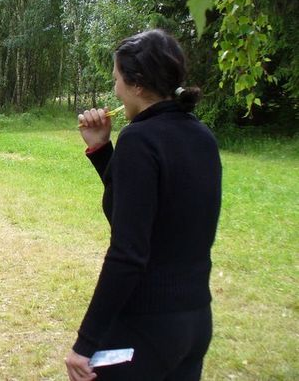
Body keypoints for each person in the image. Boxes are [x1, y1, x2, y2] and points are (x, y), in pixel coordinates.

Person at [66, 29, 222, 381]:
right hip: (195, 322)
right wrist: (101, 150)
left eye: (117, 80)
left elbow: (128, 253)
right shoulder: (202, 136)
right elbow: (152, 210)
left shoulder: (139, 139)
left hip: (146, 328)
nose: (115, 90)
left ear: (137, 84)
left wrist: (85, 343)